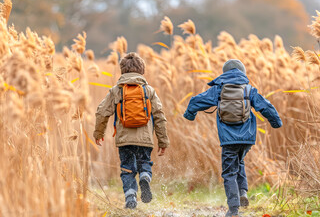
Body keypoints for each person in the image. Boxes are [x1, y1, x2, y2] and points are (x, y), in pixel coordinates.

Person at [183, 59, 282, 217]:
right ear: (242, 73)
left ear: (225, 73)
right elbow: (266, 106)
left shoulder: (218, 90)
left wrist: (190, 115)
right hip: (247, 140)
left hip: (228, 140)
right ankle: (242, 192)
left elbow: (196, 101)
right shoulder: (249, 90)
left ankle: (233, 208)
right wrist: (276, 122)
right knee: (239, 162)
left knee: (229, 172)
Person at [93, 52, 169, 209]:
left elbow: (101, 112)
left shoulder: (116, 90)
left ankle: (130, 198)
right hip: (145, 139)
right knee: (144, 162)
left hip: (125, 140)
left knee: (127, 169)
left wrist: (98, 133)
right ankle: (145, 177)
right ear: (142, 70)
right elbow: (160, 116)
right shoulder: (149, 91)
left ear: (122, 70)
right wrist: (163, 141)